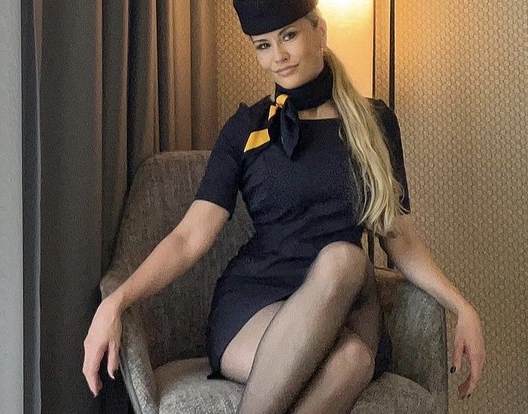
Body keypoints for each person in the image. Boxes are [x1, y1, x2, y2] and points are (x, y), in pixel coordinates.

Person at [82, 0, 486, 412]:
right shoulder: (247, 128)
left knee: (344, 259)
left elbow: (401, 238)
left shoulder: (375, 123)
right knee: (349, 361)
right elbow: (189, 238)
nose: (278, 56)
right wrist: (118, 300)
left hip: (349, 305)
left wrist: (462, 307)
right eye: (263, 45)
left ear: (319, 31)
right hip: (255, 303)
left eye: (289, 36)